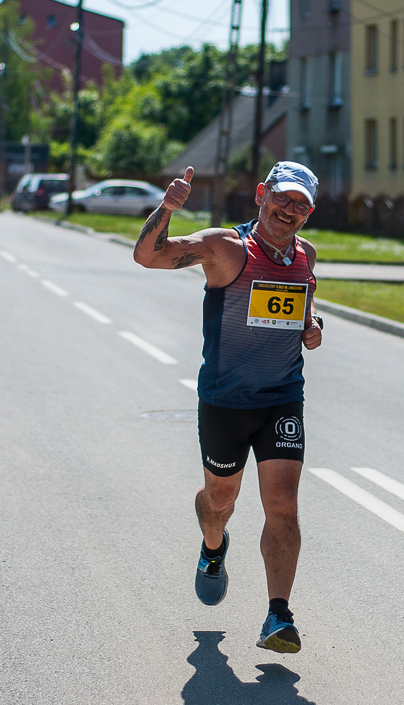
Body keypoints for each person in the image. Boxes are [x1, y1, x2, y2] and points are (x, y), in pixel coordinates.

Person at [133, 162, 323, 655]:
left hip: (282, 397)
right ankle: (213, 547)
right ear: (262, 194)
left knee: (283, 503)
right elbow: (147, 257)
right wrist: (168, 209)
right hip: (224, 401)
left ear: (310, 212)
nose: (289, 210)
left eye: (301, 203)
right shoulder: (224, 247)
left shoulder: (306, 255)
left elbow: (301, 306)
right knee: (220, 501)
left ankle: (278, 615)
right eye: (282, 197)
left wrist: (312, 324)